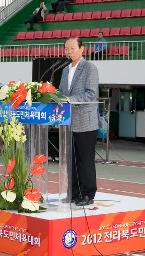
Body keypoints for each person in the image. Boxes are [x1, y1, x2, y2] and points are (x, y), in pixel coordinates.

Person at [59, 37, 99, 206]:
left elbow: (91, 94)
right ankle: (74, 193)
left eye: (72, 48)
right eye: (66, 49)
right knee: (71, 161)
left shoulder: (90, 68)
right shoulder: (65, 70)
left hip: (85, 123)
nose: (68, 51)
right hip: (68, 123)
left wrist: (69, 99)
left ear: (82, 49)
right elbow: (62, 93)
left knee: (85, 160)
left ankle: (88, 194)